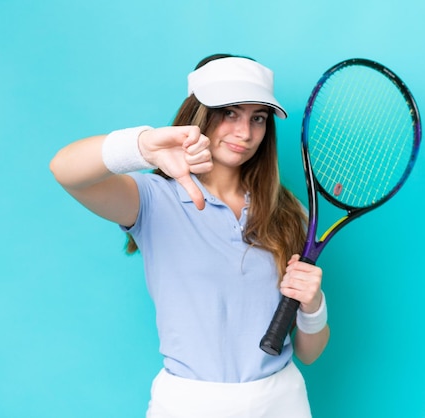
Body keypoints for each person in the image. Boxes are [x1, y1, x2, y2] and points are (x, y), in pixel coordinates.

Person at [50, 53, 330, 417]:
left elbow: (310, 352)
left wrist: (313, 304)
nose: (244, 133)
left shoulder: (291, 214)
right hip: (188, 404)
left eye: (257, 118)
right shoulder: (152, 199)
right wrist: (140, 145)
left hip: (280, 402)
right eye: (229, 113)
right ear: (199, 115)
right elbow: (65, 170)